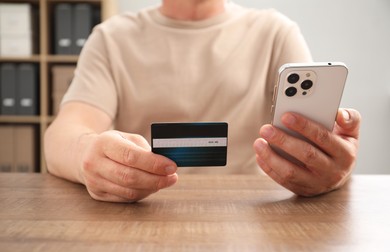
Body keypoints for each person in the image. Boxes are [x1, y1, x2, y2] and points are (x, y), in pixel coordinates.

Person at [44, 0, 361, 203]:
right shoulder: (110, 38)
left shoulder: (275, 32)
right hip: (144, 213)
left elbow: (316, 139)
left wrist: (330, 168)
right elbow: (64, 134)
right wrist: (87, 154)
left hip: (254, 217)